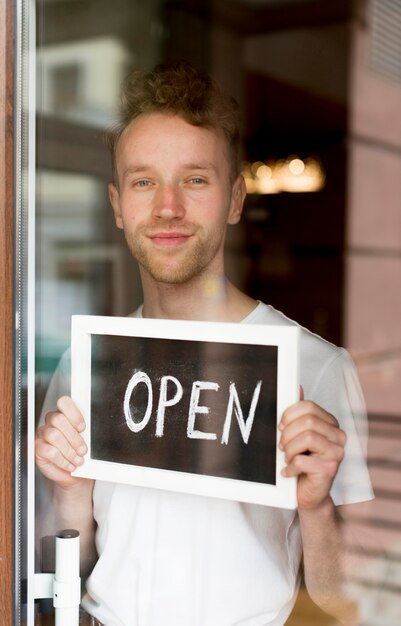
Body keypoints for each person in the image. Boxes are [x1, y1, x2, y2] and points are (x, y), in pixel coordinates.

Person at [35, 60, 373, 626]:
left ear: (236, 199)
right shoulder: (89, 362)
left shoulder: (317, 368)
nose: (167, 207)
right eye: (144, 181)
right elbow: (72, 568)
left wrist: (315, 508)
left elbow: (352, 601)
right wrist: (72, 494)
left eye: (195, 179)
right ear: (118, 205)